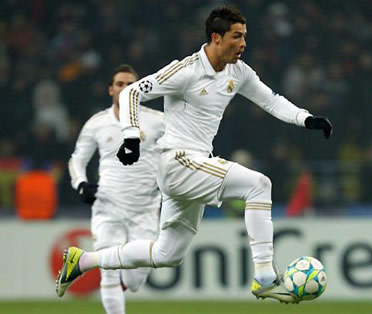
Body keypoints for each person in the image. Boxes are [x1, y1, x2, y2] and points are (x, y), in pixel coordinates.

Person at [56, 5, 332, 304]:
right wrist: (132, 137)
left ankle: (81, 261)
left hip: (193, 167)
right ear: (216, 38)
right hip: (178, 161)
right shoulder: (186, 70)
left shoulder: (238, 73)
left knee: (166, 255)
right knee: (259, 185)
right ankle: (265, 276)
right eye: (236, 37)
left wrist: (306, 119)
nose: (243, 44)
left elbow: (272, 101)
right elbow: (131, 92)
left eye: (244, 37)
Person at [67, 64, 165, 313]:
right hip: (108, 206)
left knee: (134, 281)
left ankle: (126, 279)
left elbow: (178, 151)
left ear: (139, 89)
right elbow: (78, 159)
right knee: (109, 274)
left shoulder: (157, 122)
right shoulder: (97, 123)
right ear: (111, 90)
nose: (125, 88)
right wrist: (80, 184)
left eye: (130, 84)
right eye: (120, 84)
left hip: (145, 208)